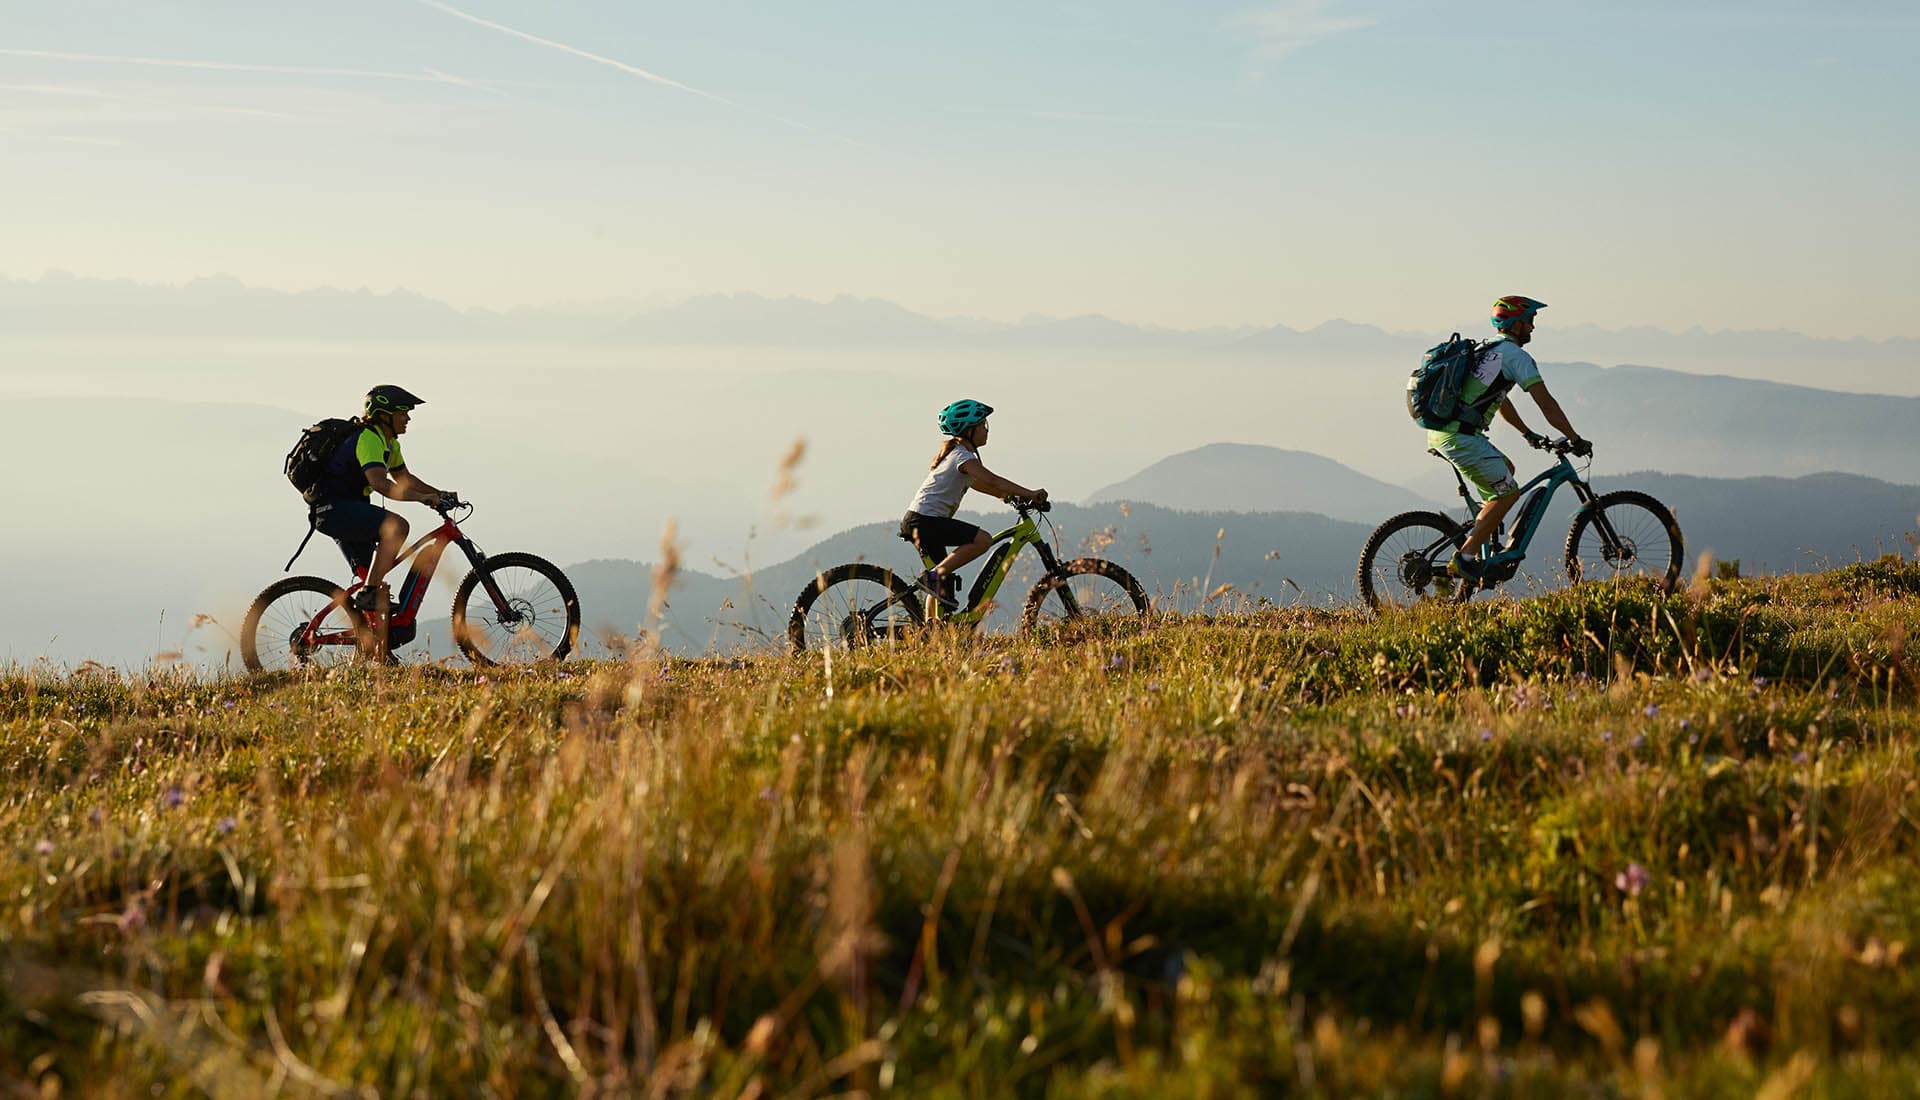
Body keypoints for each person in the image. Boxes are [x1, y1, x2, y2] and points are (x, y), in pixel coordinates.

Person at [1429, 296, 1589, 579]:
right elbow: (1546, 403)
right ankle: (1465, 558)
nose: (1532, 328)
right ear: (1516, 324)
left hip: (1446, 432)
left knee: (1508, 472)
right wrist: (1574, 437)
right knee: (1509, 492)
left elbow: (1499, 399)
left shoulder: (1487, 349)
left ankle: (1477, 538)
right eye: (1529, 321)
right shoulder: (1516, 357)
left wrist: (1527, 433)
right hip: (1461, 438)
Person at [311, 385, 458, 613]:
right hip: (334, 510)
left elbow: (404, 479)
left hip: (350, 509)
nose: (408, 418)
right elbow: (380, 483)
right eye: (402, 412)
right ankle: (369, 595)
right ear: (384, 416)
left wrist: (439, 494)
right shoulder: (368, 439)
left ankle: (372, 634)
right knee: (397, 527)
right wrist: (423, 499)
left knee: (374, 573)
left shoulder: (390, 443)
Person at [900, 399, 1047, 610]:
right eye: (982, 425)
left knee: (942, 585)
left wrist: (1006, 497)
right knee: (983, 540)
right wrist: (1030, 493)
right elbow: (993, 480)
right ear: (969, 430)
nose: (986, 430)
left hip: (920, 522)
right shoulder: (962, 457)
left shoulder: (960, 455)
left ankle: (930, 633)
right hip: (925, 522)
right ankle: (933, 578)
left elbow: (980, 485)